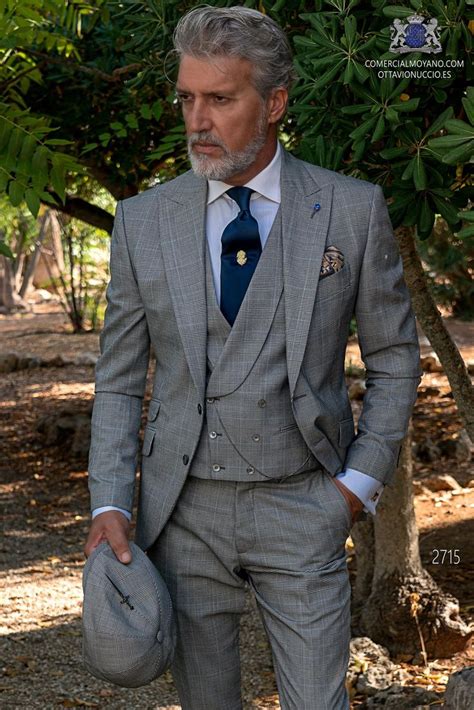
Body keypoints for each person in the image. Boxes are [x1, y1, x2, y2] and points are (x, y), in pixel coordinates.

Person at [84, 6, 421, 709]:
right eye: (186, 97)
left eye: (220, 98)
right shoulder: (143, 222)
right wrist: (111, 500)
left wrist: (355, 489)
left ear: (273, 103)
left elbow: (394, 358)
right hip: (184, 514)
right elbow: (117, 383)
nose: (196, 120)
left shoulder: (350, 211)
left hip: (305, 502)